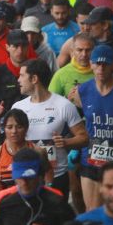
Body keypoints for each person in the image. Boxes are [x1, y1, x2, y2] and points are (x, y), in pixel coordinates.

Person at [73, 44, 113, 210]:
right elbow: (80, 120)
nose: (100, 68)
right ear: (91, 65)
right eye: (97, 64)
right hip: (90, 158)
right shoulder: (83, 90)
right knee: (93, 211)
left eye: (105, 64)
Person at [13, 59, 87, 200]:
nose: (18, 80)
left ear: (34, 79)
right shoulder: (18, 107)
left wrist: (66, 142)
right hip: (26, 176)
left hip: (57, 175)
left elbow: (84, 138)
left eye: (22, 75)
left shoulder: (63, 105)